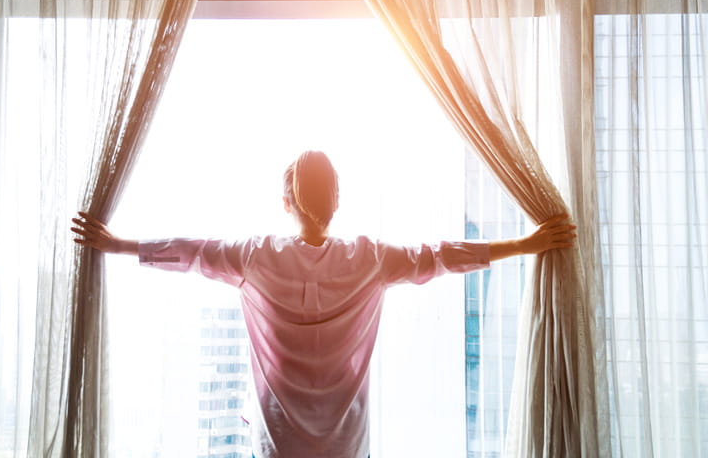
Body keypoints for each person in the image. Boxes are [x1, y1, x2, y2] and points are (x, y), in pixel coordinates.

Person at [71, 150, 576, 458]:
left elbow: (188, 252)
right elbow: (442, 257)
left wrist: (116, 245)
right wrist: (524, 244)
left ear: (286, 202)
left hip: (274, 448)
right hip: (346, 450)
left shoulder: (254, 257)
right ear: (338, 199)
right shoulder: (370, 259)